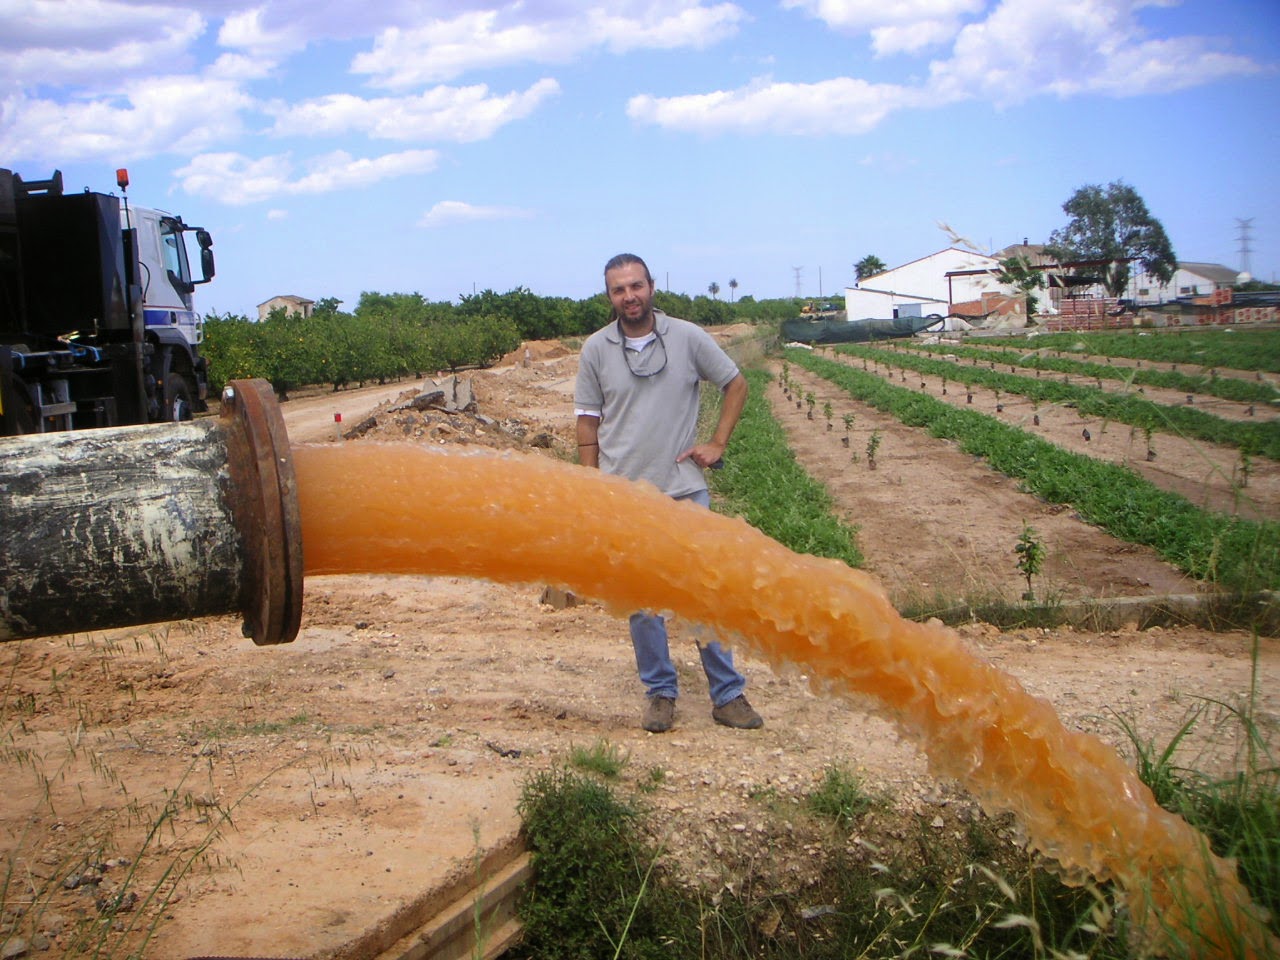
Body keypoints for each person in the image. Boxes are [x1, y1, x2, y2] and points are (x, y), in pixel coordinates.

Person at [574, 253, 763, 734]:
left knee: (704, 592)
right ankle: (660, 693)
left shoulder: (687, 337)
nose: (629, 296)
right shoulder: (596, 349)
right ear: (609, 296)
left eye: (636, 286)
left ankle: (727, 694)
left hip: (683, 490)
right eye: (619, 289)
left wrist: (718, 442)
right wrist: (591, 484)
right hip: (626, 497)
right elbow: (587, 421)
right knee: (642, 602)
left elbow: (736, 383)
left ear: (651, 286)